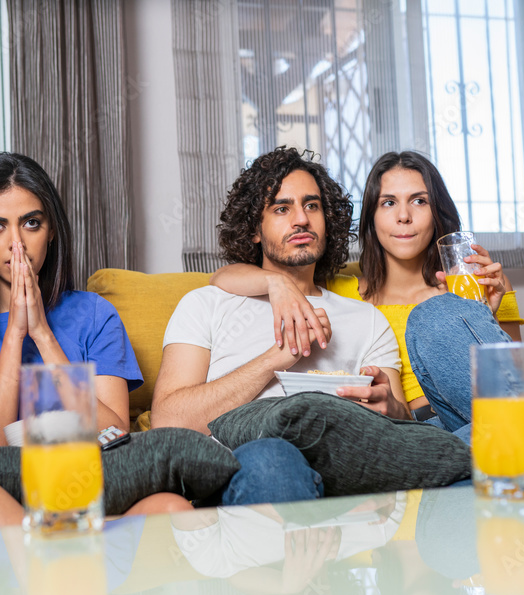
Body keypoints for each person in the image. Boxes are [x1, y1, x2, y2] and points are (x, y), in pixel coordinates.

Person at [210, 150, 524, 477]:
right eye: (388, 203)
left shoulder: (474, 285)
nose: (403, 217)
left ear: (437, 213)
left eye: (419, 201)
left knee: (441, 317)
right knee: (479, 439)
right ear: (371, 218)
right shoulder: (342, 292)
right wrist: (276, 284)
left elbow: (520, 385)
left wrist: (482, 317)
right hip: (424, 437)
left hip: (494, 418)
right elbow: (222, 276)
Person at [0, 152, 190, 525]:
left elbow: (113, 435)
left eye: (31, 223)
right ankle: (30, 543)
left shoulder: (94, 314)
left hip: (91, 497)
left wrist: (43, 335)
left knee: (172, 508)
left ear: (52, 231)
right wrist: (14, 338)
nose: (17, 244)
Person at [151, 146, 410, 505]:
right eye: (281, 208)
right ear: (254, 230)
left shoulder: (366, 319)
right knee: (272, 457)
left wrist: (391, 409)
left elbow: (403, 425)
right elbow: (168, 421)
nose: (301, 219)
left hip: (344, 471)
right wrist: (277, 357)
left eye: (312, 206)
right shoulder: (206, 304)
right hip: (248, 468)